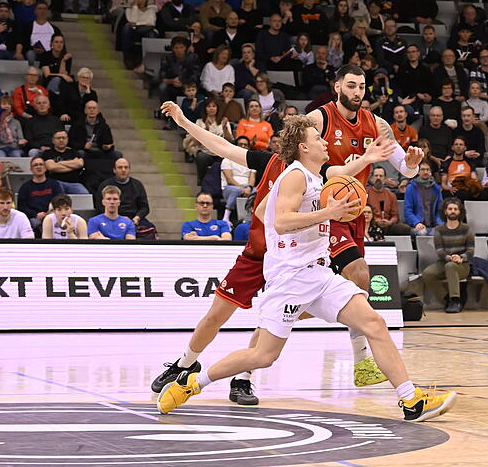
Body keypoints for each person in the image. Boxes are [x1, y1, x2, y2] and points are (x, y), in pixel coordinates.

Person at [157, 114, 456, 421]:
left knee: (374, 323)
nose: (325, 142)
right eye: (318, 139)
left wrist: (364, 166)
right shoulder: (295, 176)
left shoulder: (315, 178)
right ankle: (193, 383)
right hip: (289, 278)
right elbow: (282, 220)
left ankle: (410, 400)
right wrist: (327, 212)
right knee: (264, 356)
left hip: (319, 273)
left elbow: (263, 209)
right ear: (303, 147)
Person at [306, 65, 424, 383]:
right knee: (359, 274)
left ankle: (273, 315)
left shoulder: (377, 124)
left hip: (355, 211)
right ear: (337, 87)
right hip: (324, 209)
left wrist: (411, 165)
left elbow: (404, 167)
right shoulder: (320, 119)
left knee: (333, 292)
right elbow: (297, 157)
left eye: (362, 86)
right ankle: (362, 362)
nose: (358, 92)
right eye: (351, 86)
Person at [421, 199, 474, 313]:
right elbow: (440, 250)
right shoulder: (439, 230)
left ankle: (455, 300)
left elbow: (470, 250)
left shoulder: (467, 229)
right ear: (445, 212)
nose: (453, 211)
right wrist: (450, 258)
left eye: (455, 209)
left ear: (460, 212)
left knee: (451, 266)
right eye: (450, 209)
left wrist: (461, 258)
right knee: (427, 274)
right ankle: (446, 299)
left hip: (463, 265)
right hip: (444, 262)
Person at [95, 158, 154, 232]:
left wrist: (137, 218)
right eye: (120, 167)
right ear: (114, 170)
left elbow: (144, 207)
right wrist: (118, 218)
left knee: (151, 229)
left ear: (129, 169)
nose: (123, 170)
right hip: (111, 218)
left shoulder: (137, 185)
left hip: (134, 219)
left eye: (126, 167)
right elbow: (99, 207)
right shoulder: (105, 185)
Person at [17, 156, 63, 230]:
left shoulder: (54, 184)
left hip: (52, 215)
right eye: (35, 165)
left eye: (41, 164)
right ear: (31, 169)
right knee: (35, 224)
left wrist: (50, 213)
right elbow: (21, 207)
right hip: (34, 219)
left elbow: (60, 201)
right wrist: (35, 214)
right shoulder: (25, 187)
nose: (38, 167)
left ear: (45, 168)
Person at [366, 166, 410, 236]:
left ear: (385, 179)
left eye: (381, 176)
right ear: (371, 178)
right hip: (371, 224)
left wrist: (389, 222)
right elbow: (364, 213)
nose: (378, 178)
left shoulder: (391, 195)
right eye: (376, 175)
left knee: (405, 229)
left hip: (388, 225)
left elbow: (395, 215)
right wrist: (375, 221)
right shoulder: (366, 193)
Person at [220, 137, 256, 222]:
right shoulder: (227, 160)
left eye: (245, 145)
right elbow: (229, 179)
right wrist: (241, 188)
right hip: (230, 187)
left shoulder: (251, 162)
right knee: (235, 190)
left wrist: (249, 188)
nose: (243, 146)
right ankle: (226, 217)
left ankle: (251, 217)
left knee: (258, 191)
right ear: (235, 146)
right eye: (240, 144)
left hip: (247, 187)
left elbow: (252, 178)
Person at [42, 130, 88, 194]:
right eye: (58, 138)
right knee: (59, 194)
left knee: (84, 194)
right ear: (53, 140)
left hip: (74, 183)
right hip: (56, 182)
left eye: (63, 138)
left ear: (67, 139)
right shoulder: (48, 153)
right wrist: (72, 165)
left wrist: (60, 163)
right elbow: (51, 167)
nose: (61, 140)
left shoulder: (73, 152)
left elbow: (80, 164)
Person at [0, 95, 25, 159]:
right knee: (1, 158)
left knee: (16, 156)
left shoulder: (16, 122)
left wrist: (22, 142)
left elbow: (21, 140)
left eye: (9, 104)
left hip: (14, 148)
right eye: (4, 104)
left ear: (11, 107)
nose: (6, 106)